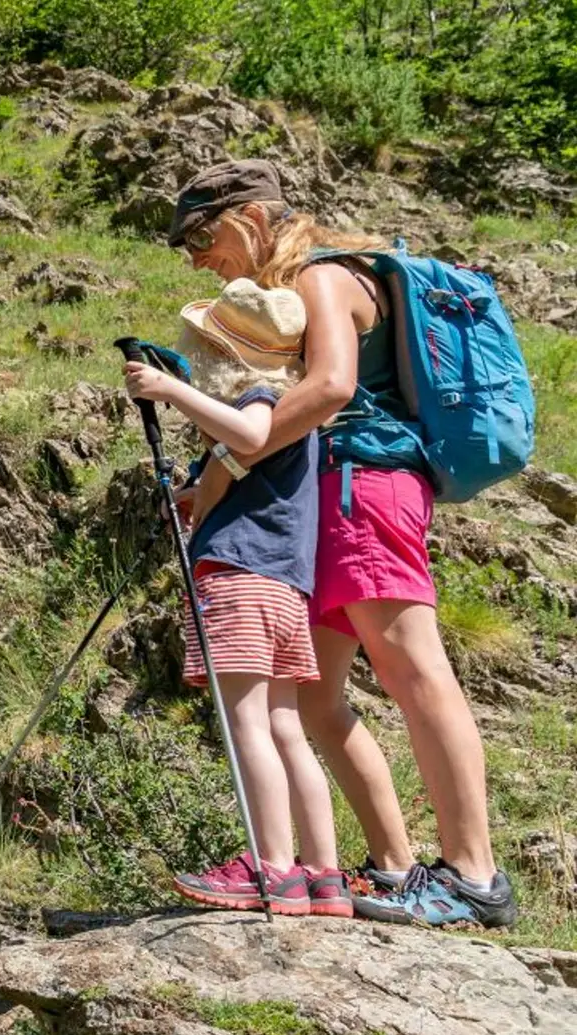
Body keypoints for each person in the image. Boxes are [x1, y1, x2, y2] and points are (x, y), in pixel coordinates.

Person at [168, 159, 517, 928]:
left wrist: (230, 461)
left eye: (199, 235)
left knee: (414, 670)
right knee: (321, 701)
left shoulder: (324, 277)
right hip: (333, 499)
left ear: (249, 219)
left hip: (369, 488)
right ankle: (392, 868)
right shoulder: (308, 285)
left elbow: (329, 388)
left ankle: (473, 876)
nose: (194, 256)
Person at [124, 279, 349, 917]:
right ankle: (322, 876)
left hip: (238, 577)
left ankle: (272, 868)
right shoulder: (300, 421)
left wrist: (171, 390)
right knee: (285, 727)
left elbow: (248, 435)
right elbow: (250, 456)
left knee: (248, 722)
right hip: (283, 585)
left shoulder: (261, 397)